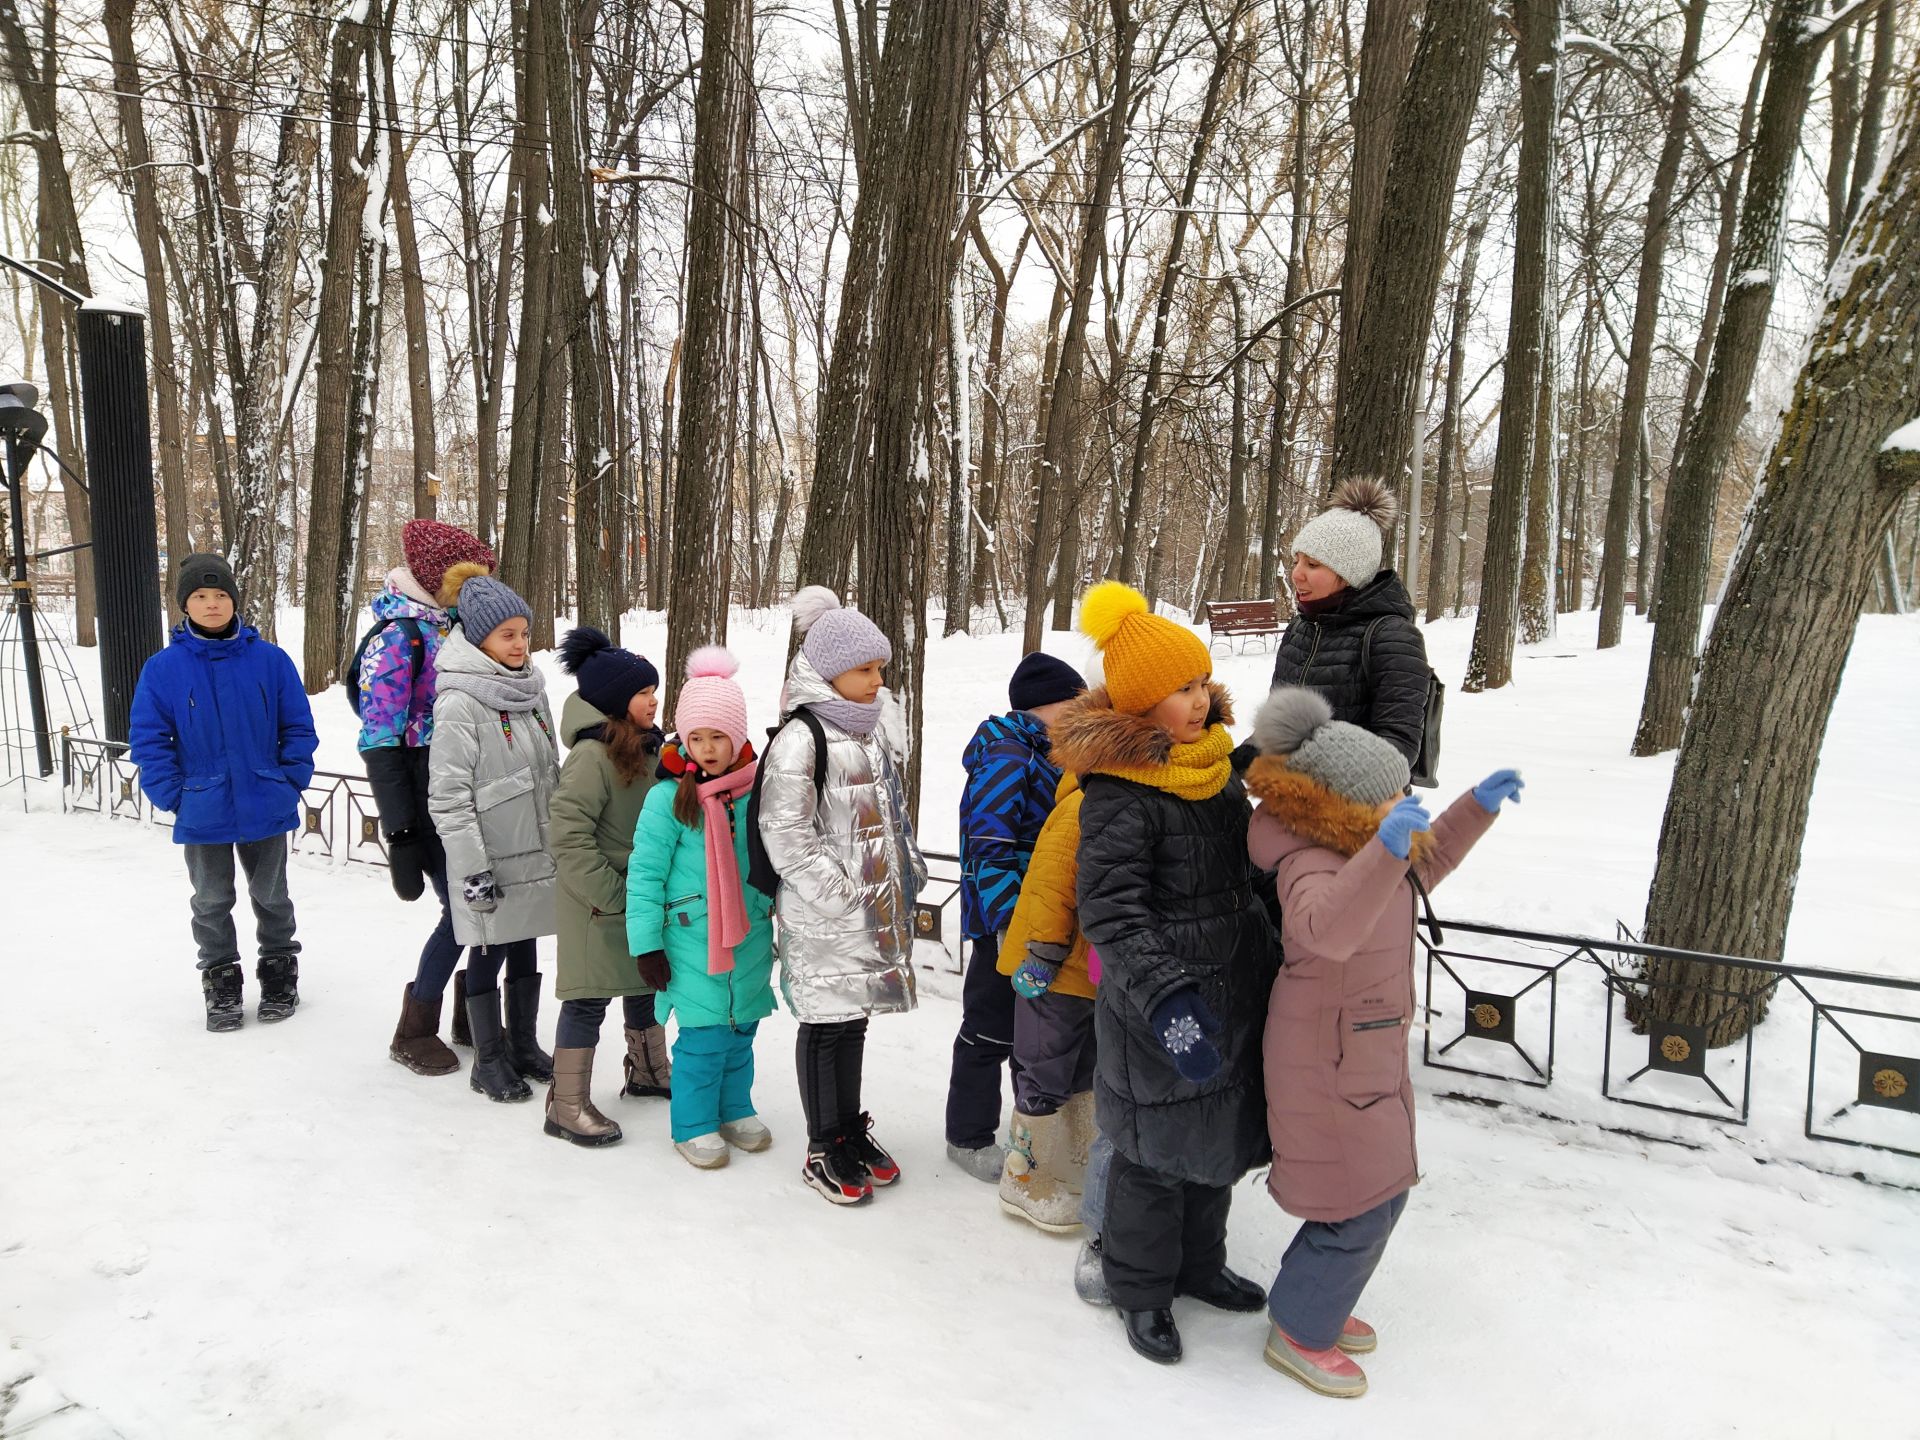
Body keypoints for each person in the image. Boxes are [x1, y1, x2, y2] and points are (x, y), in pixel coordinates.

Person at [1245, 686, 1520, 1398]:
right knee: (1363, 1196)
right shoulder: (1311, 858)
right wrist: (1385, 851)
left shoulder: (1362, 845)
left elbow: (1419, 867)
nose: (1405, 804)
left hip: (1361, 1048)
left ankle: (1313, 1299)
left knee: (1376, 1188)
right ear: (1351, 803)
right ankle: (1302, 1327)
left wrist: (1474, 808)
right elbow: (1324, 931)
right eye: (1393, 798)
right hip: (1324, 1055)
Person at [1062, 580, 1279, 1365]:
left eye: (1200, 683)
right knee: (1154, 1158)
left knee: (1214, 1139)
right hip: (1164, 1010)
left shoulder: (1216, 771)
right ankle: (1140, 1290)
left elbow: (1248, 872)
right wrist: (1168, 1002)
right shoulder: (1120, 795)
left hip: (1235, 991)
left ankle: (1199, 1265)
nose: (1199, 700)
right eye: (1180, 690)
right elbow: (1114, 915)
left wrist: (1280, 936)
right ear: (1139, 707)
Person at [754, 585, 926, 1205]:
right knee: (826, 1027)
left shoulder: (869, 729)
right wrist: (839, 895)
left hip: (866, 908)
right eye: (865, 669)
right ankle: (823, 1145)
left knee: (853, 1024)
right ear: (830, 672)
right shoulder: (803, 737)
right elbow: (785, 829)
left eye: (881, 668)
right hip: (827, 913)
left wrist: (904, 871)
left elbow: (888, 814)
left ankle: (849, 1128)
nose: (878, 680)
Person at [130, 554, 316, 1031]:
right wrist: (174, 794)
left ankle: (279, 972)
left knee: (272, 896)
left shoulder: (270, 660)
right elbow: (149, 739)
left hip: (265, 801)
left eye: (220, 595)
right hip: (202, 806)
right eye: (200, 596)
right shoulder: (163, 668)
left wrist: (289, 778)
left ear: (234, 600)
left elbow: (297, 725)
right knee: (211, 900)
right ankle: (221, 981)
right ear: (185, 605)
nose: (212, 604)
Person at [356, 518, 497, 1075]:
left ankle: (474, 1014)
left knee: (486, 909)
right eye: (468, 583)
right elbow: (380, 736)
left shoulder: (461, 628)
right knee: (461, 911)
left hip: (473, 789)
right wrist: (401, 832)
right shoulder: (399, 637)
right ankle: (414, 1027)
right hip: (424, 793)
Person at [627, 647, 778, 1169]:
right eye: (697, 737)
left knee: (742, 1030)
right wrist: (646, 944)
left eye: (718, 736)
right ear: (683, 739)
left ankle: (734, 1108)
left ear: (737, 736)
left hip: (751, 932)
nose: (709, 749)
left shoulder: (756, 790)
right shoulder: (668, 798)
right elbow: (644, 876)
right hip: (690, 938)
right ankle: (692, 1123)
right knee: (703, 1037)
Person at [946, 651, 1087, 1184]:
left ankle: (1021, 1130)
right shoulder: (1009, 754)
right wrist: (1008, 919)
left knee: (1027, 1033)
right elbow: (988, 842)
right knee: (988, 1030)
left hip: (1036, 921)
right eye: (1074, 706)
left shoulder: (1045, 754)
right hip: (1003, 925)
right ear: (1048, 707)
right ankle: (968, 1134)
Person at [428, 574, 560, 1103]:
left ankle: (523, 1045)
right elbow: (449, 796)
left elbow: (548, 766)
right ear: (479, 638)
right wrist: (471, 869)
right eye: (507, 635)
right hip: (489, 856)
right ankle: (488, 1058)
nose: (519, 644)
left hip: (534, 846)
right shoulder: (460, 701)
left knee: (526, 944)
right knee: (490, 946)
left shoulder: (531, 690)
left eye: (524, 633)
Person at [544, 626, 668, 1146]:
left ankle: (647, 1070)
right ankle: (566, 1104)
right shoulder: (591, 758)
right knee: (587, 1001)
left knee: (645, 984)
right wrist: (614, 898)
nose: (654, 700)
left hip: (634, 897)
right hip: (597, 904)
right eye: (643, 693)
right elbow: (568, 837)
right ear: (619, 702)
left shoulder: (646, 749)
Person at [993, 757, 1097, 1233]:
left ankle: (1074, 1161)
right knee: (1044, 1067)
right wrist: (1045, 953)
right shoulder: (1080, 807)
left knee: (1085, 1067)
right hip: (1051, 970)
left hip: (1090, 973)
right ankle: (1023, 1175)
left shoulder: (1116, 804)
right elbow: (1054, 885)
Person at [1270, 478, 1430, 765]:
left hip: (1359, 807)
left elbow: (1398, 748)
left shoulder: (1392, 638)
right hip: (1289, 800)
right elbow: (1277, 727)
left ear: (1349, 573)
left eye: (1313, 564)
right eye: (1297, 560)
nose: (1297, 574)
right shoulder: (1300, 629)